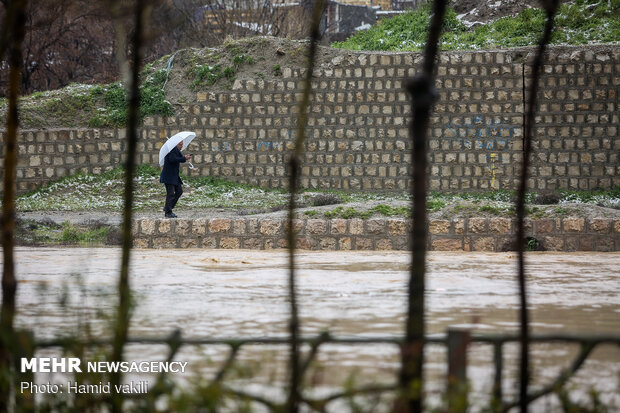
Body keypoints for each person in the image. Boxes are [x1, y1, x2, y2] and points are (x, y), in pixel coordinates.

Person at [160, 141, 191, 218]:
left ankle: (168, 207)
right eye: (180, 145)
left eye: (182, 145)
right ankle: (168, 212)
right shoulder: (171, 150)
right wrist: (184, 158)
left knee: (179, 191)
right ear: (175, 144)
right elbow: (172, 159)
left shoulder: (177, 150)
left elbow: (180, 159)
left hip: (174, 176)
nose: (181, 146)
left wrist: (185, 157)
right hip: (168, 176)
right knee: (170, 194)